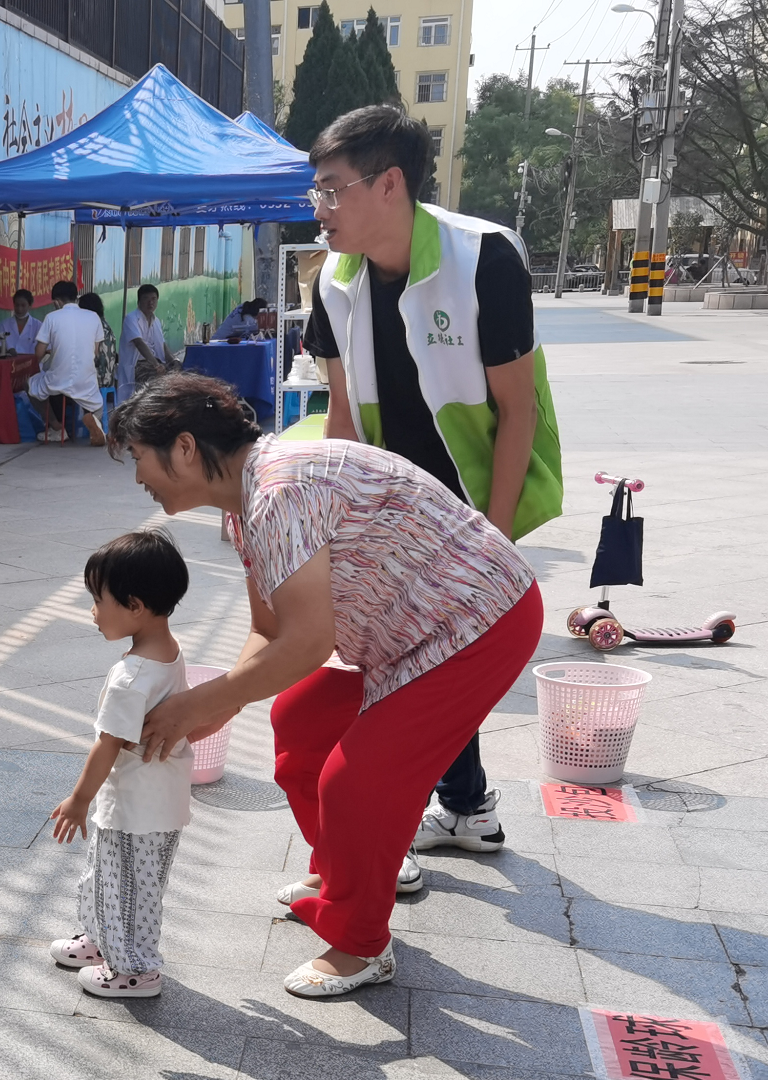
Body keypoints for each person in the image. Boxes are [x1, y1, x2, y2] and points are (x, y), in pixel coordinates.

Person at [119, 374, 541, 999]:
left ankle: (360, 943)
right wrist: (215, 707)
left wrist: (204, 701)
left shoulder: (280, 491)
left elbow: (309, 644)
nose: (137, 478)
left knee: (358, 779)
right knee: (300, 722)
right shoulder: (249, 504)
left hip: (478, 621)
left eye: (138, 457)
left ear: (183, 448)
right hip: (411, 634)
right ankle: (348, 873)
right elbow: (270, 628)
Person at [301, 105, 562, 872]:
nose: (319, 210)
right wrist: (335, 530)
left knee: (435, 650)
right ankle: (466, 804)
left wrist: (494, 539)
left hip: (471, 495)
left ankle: (399, 817)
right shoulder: (334, 283)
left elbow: (518, 410)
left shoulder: (481, 258)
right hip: (390, 499)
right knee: (408, 652)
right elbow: (341, 415)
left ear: (389, 184)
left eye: (330, 190)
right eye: (314, 191)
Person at [48, 530, 194, 1000]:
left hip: (135, 809)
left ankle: (135, 970)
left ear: (134, 605)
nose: (93, 610)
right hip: (157, 801)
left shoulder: (130, 676)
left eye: (98, 599)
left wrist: (78, 800)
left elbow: (107, 745)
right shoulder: (168, 652)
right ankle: (99, 939)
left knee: (130, 888)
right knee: (109, 875)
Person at [28, 280, 107, 446]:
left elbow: (39, 352)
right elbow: (95, 352)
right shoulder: (93, 317)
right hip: (85, 379)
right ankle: (95, 420)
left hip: (57, 380)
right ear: (76, 297)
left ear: (56, 302)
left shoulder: (51, 318)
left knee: (31, 387)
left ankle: (57, 427)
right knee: (96, 405)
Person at [117, 283, 168, 404]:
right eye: (146, 299)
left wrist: (174, 361)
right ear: (139, 301)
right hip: (138, 364)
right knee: (155, 379)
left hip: (154, 362)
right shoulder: (131, 318)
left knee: (179, 371)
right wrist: (156, 365)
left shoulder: (156, 321)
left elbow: (163, 345)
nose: (150, 302)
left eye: (154, 299)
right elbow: (139, 343)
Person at [77, 292, 117, 401]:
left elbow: (93, 357)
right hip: (109, 378)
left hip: (98, 378)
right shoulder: (104, 324)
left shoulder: (92, 326)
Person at [0, 287, 43, 355]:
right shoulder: (4, 325)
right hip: (9, 363)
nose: (19, 309)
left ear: (30, 305)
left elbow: (44, 349)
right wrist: (7, 350)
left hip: (31, 363)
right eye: (17, 305)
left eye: (23, 305)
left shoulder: (38, 326)